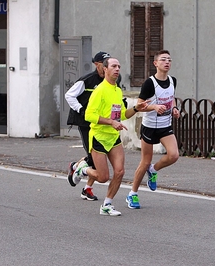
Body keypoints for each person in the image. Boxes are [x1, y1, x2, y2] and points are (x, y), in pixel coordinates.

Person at [72, 57, 149, 216]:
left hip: (113, 137)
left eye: (119, 66)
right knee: (102, 177)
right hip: (99, 136)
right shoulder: (99, 90)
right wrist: (110, 122)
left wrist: (136, 108)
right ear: (105, 69)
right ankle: (82, 170)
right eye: (114, 66)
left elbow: (121, 114)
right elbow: (89, 115)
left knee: (119, 172)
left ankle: (107, 205)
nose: (117, 69)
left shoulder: (117, 90)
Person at [126, 50, 180, 209]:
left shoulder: (172, 80)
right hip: (149, 127)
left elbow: (172, 98)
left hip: (165, 126)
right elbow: (139, 106)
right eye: (163, 59)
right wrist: (154, 107)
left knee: (174, 155)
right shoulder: (149, 83)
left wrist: (175, 109)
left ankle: (154, 170)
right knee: (145, 161)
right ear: (155, 63)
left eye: (169, 60)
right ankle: (132, 194)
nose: (167, 62)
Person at [65, 51, 111, 201]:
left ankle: (86, 187)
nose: (107, 67)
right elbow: (69, 95)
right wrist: (80, 109)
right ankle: (77, 170)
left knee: (98, 157)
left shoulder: (111, 81)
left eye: (108, 64)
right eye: (104, 64)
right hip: (86, 122)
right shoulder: (87, 80)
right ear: (97, 65)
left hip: (102, 123)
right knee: (94, 157)